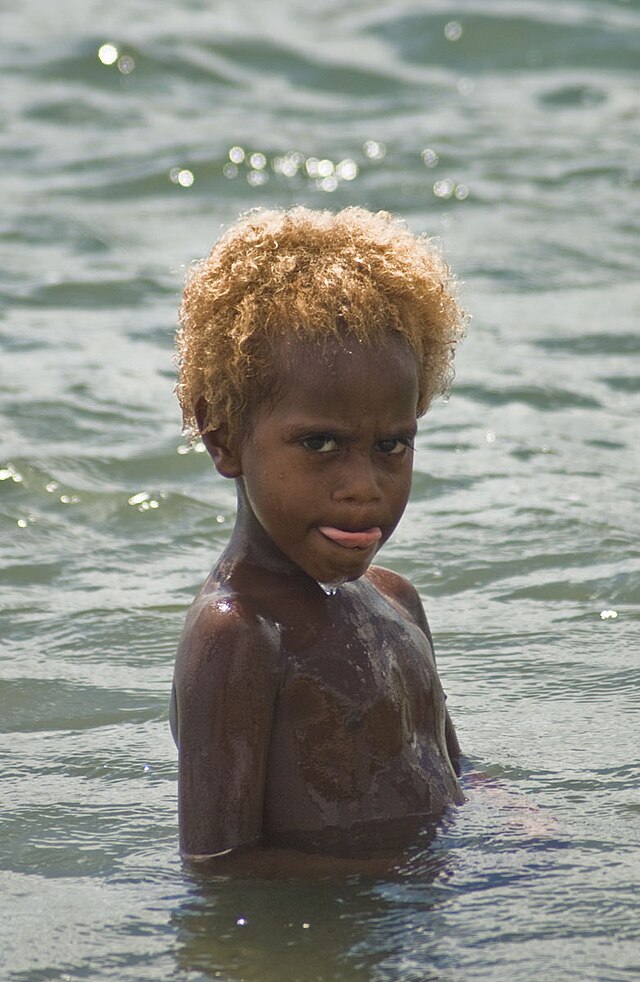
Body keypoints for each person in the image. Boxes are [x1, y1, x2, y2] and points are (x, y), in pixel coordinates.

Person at [171, 205, 468, 870]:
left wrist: (512, 818)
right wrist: (405, 878)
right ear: (223, 438)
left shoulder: (397, 600)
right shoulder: (238, 636)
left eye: (392, 444)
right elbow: (220, 862)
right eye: (320, 443)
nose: (363, 485)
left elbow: (454, 769)